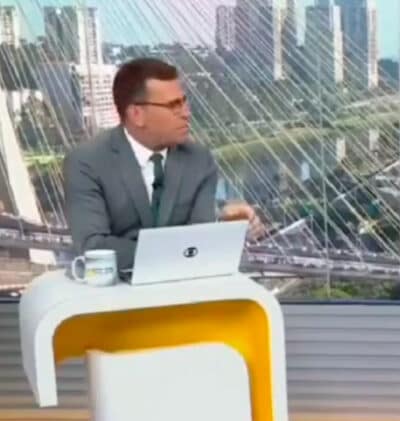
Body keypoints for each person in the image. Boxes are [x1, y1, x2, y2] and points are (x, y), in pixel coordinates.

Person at [65, 57, 262, 271]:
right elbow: (93, 248)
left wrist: (222, 225)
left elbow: (199, 237)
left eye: (184, 102)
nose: (186, 113)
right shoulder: (87, 162)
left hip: (184, 283)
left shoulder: (199, 160)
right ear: (137, 115)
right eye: (174, 105)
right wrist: (174, 252)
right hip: (116, 285)